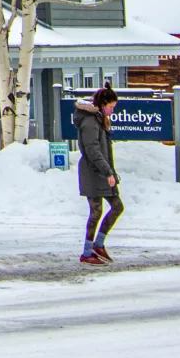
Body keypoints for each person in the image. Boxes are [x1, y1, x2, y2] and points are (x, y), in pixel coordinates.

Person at [74, 84, 123, 264]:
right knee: (96, 212)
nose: (112, 111)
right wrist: (107, 171)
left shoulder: (99, 120)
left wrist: (109, 171)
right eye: (111, 107)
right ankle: (87, 253)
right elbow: (93, 150)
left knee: (117, 206)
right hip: (92, 172)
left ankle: (98, 244)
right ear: (102, 105)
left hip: (102, 172)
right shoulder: (90, 122)